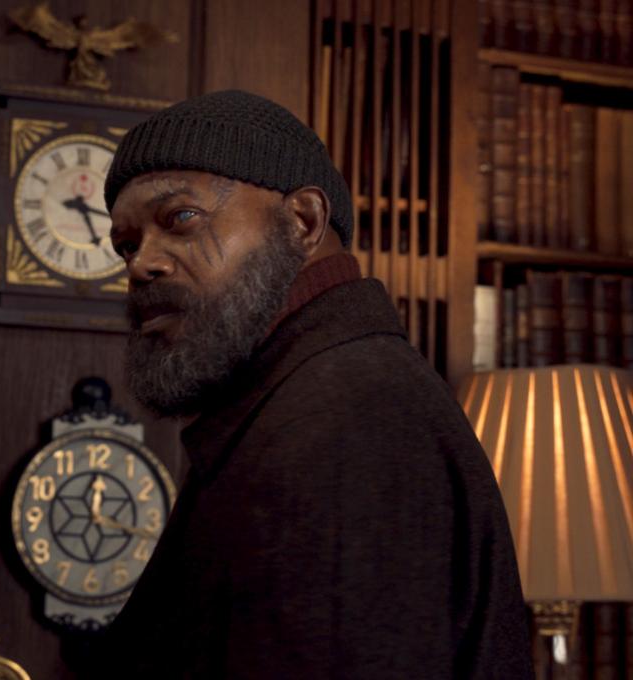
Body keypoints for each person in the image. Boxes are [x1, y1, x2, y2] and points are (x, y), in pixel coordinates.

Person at [97, 90, 532, 678]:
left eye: (181, 218)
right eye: (126, 245)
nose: (140, 264)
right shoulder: (304, 401)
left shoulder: (351, 421)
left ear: (302, 221)